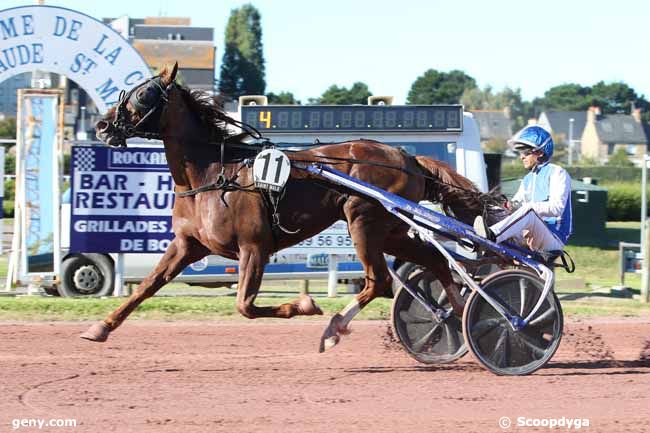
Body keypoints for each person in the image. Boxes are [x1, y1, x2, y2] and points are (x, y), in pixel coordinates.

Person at [474, 125, 572, 252]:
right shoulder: (527, 180)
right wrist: (505, 206)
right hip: (529, 232)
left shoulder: (557, 173)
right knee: (497, 212)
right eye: (520, 152)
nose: (521, 157)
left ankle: (492, 236)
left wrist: (524, 206)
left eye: (525, 152)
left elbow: (556, 208)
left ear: (540, 152)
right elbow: (516, 204)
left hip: (554, 236)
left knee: (529, 210)